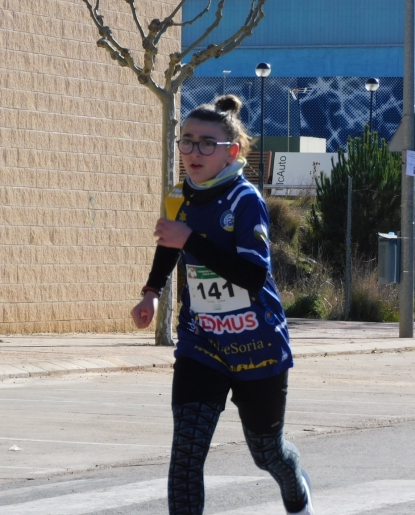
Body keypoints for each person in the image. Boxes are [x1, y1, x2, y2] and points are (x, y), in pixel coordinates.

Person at [131, 95, 314, 515]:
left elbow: (252, 275)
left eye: (207, 143)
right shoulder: (179, 196)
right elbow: (168, 245)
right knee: (186, 456)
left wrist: (190, 240)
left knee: (267, 453)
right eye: (187, 141)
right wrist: (151, 292)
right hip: (203, 343)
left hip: (258, 346)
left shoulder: (245, 200)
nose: (194, 152)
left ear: (232, 151)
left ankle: (297, 489)